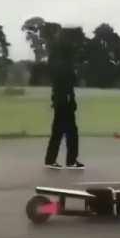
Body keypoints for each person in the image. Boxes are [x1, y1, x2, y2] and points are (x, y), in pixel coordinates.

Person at [44, 29, 85, 170]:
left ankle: (50, 159)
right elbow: (69, 78)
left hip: (58, 98)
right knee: (71, 131)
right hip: (65, 99)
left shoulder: (55, 58)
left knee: (57, 131)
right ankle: (71, 160)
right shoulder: (64, 60)